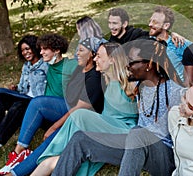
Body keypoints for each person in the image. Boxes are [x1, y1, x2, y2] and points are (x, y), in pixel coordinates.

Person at [37, 39, 185, 176]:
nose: (127, 65)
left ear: (149, 65)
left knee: (138, 133)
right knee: (80, 139)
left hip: (163, 157)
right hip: (135, 149)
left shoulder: (175, 92)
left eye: (132, 62)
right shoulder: (140, 88)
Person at [31, 42, 138, 176]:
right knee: (50, 162)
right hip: (106, 129)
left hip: (124, 131)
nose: (94, 59)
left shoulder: (131, 82)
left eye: (99, 56)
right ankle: (59, 155)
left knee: (80, 114)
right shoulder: (107, 81)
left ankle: (58, 152)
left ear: (112, 60)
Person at [0, 33, 78, 176]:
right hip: (48, 110)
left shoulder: (71, 65)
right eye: (40, 49)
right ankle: (13, 152)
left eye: (44, 49)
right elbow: (31, 73)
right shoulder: (47, 65)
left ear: (57, 50)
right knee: (6, 96)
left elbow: (78, 103)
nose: (40, 53)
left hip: (66, 109)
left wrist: (55, 125)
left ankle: (18, 152)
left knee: (37, 103)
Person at [0, 35, 48, 160]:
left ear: (34, 47)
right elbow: (24, 89)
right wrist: (16, 88)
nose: (25, 52)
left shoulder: (45, 65)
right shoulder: (26, 66)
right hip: (24, 96)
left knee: (18, 106)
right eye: (22, 50)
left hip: (36, 101)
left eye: (28, 49)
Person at [148, 5, 191, 82]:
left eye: (154, 22)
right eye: (150, 21)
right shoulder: (148, 42)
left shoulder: (179, 43)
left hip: (178, 90)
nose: (150, 24)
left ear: (166, 26)